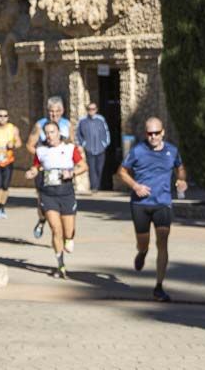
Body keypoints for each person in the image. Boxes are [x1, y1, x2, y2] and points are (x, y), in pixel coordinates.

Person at [117, 117, 186, 302]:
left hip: (163, 203)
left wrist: (181, 180)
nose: (153, 136)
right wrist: (136, 186)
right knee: (143, 243)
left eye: (156, 133)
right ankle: (142, 252)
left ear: (163, 132)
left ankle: (159, 287)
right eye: (150, 133)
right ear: (146, 134)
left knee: (162, 242)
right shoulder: (138, 151)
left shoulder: (172, 151)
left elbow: (180, 168)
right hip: (140, 204)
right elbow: (121, 171)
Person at [25, 120, 87, 279]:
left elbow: (83, 166)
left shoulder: (69, 148)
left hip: (66, 194)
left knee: (68, 233)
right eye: (47, 133)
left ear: (59, 133)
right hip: (48, 194)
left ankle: (69, 239)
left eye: (52, 132)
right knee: (55, 229)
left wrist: (71, 173)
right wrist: (32, 172)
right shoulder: (41, 151)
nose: (49, 136)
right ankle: (61, 265)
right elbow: (36, 167)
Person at [26, 96, 73, 243]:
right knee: (42, 199)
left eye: (58, 111)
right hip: (44, 169)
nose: (55, 114)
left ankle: (62, 232)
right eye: (52, 111)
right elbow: (29, 145)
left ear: (62, 111)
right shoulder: (40, 125)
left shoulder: (67, 125)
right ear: (48, 111)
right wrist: (43, 158)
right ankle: (42, 220)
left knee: (63, 200)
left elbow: (72, 145)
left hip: (62, 171)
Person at [77, 102, 111, 192]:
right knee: (91, 169)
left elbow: (106, 132)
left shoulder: (101, 120)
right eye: (89, 109)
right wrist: (83, 144)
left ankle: (98, 185)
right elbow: (78, 134)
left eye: (93, 109)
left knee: (99, 168)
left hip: (100, 148)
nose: (91, 111)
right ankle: (94, 187)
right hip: (89, 148)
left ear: (96, 110)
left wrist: (105, 143)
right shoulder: (82, 121)